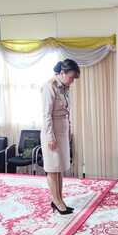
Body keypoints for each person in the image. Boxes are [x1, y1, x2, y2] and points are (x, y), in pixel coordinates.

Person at [41, 59, 80, 215]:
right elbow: (46, 115)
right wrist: (50, 137)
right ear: (62, 73)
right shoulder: (49, 86)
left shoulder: (64, 87)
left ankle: (59, 200)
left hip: (62, 130)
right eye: (71, 77)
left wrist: (69, 131)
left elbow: (66, 112)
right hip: (52, 131)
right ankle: (56, 201)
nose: (72, 81)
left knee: (59, 168)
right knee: (52, 168)